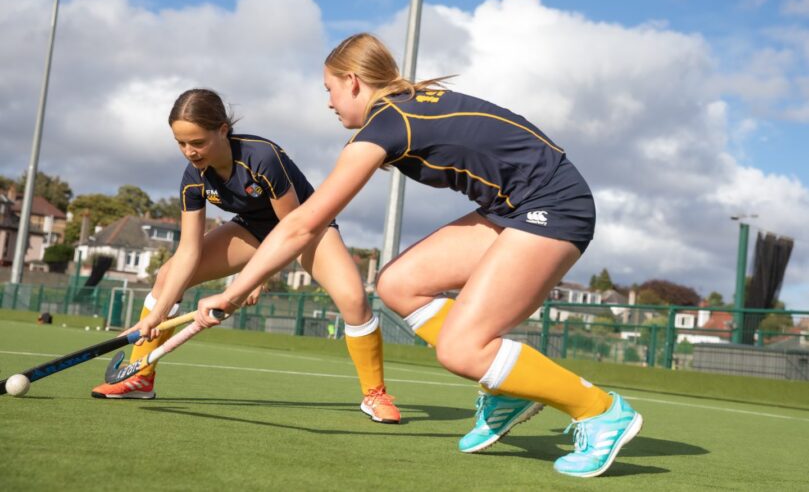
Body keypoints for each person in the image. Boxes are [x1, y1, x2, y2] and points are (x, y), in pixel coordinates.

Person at [195, 34, 643, 477]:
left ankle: (600, 411)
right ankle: (508, 388)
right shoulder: (404, 106)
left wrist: (236, 288)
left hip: (554, 206)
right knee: (398, 284)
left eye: (329, 89)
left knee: (463, 349)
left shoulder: (388, 124)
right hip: (511, 208)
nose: (329, 102)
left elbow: (302, 224)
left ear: (352, 81)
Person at [90, 88, 400, 424]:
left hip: (308, 226)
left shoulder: (261, 158)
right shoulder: (194, 177)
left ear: (222, 129)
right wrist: (157, 314)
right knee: (167, 277)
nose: (189, 152)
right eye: (181, 143)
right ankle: (140, 376)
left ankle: (375, 394)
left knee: (354, 298)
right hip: (251, 230)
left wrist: (256, 277)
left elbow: (292, 230)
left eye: (197, 142)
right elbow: (189, 251)